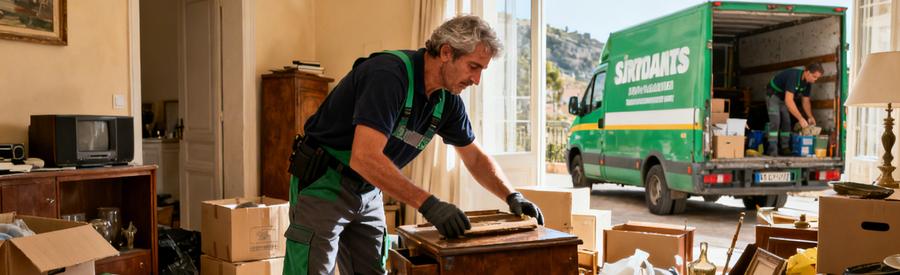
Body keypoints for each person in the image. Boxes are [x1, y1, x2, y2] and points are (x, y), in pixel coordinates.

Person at [283, 15, 545, 275]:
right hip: (326, 182)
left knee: (373, 270)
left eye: (481, 71)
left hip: (368, 190)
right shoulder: (388, 76)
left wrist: (512, 196)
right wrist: (429, 204)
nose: (476, 80)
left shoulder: (447, 101)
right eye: (473, 67)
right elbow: (364, 157)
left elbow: (474, 157)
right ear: (446, 52)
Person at [765, 63, 824, 156]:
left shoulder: (807, 83)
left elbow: (806, 101)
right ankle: (772, 150)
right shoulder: (794, 76)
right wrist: (800, 118)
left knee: (787, 122)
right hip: (773, 96)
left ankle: (784, 148)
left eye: (817, 78)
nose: (815, 80)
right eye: (814, 77)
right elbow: (789, 101)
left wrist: (810, 116)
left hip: (783, 98)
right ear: (807, 72)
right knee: (775, 121)